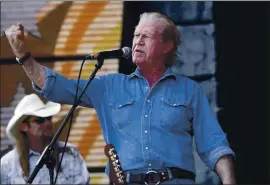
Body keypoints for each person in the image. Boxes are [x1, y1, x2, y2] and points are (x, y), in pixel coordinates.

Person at [4, 12, 236, 184]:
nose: (137, 41)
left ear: (168, 46)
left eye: (147, 36)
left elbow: (215, 146)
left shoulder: (189, 91)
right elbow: (58, 88)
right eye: (136, 35)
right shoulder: (109, 86)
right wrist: (23, 56)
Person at [0, 93, 90, 184]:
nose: (48, 123)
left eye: (49, 118)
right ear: (23, 126)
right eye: (39, 120)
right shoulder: (7, 163)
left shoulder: (70, 153)